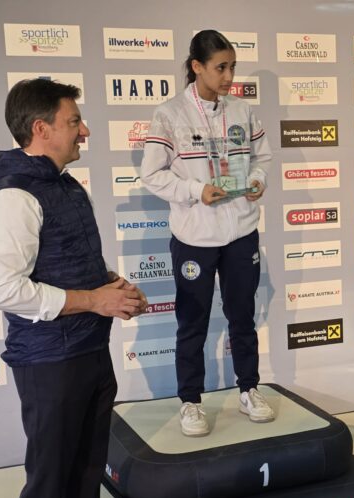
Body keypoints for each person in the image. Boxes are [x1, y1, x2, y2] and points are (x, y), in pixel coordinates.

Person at [0, 78, 147, 498]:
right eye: (74, 122)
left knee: (86, 473)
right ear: (41, 129)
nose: (85, 131)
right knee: (48, 481)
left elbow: (69, 261)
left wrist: (113, 287)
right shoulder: (13, 196)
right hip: (48, 363)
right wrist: (94, 299)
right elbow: (4, 290)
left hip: (89, 350)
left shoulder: (66, 185)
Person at [141, 30, 273, 436]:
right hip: (194, 237)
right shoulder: (170, 114)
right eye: (221, 67)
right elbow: (152, 175)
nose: (229, 76)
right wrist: (196, 190)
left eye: (232, 67)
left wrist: (256, 180)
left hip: (241, 232)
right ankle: (190, 401)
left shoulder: (243, 110)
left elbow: (262, 158)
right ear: (197, 67)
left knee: (242, 316)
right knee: (192, 321)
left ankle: (249, 389)